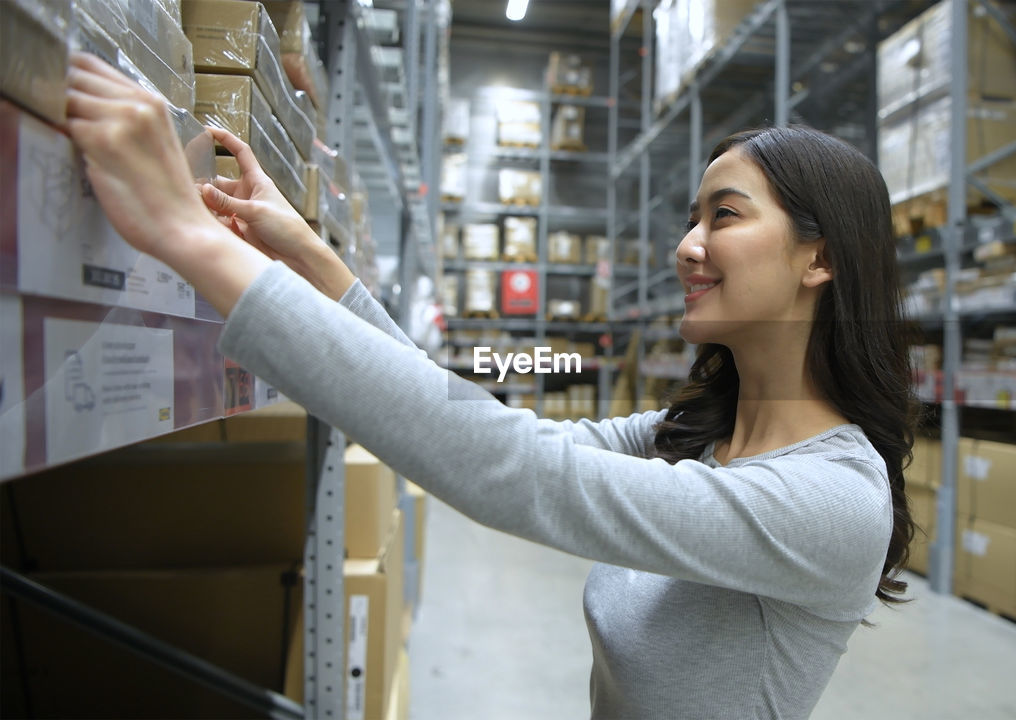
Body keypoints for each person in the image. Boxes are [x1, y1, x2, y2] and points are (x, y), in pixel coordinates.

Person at [65, 51, 918, 718]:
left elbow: (516, 471)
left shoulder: (831, 499)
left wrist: (185, 236)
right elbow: (461, 415)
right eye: (690, 218)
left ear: (823, 257)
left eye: (724, 216)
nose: (688, 245)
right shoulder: (699, 434)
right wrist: (310, 257)